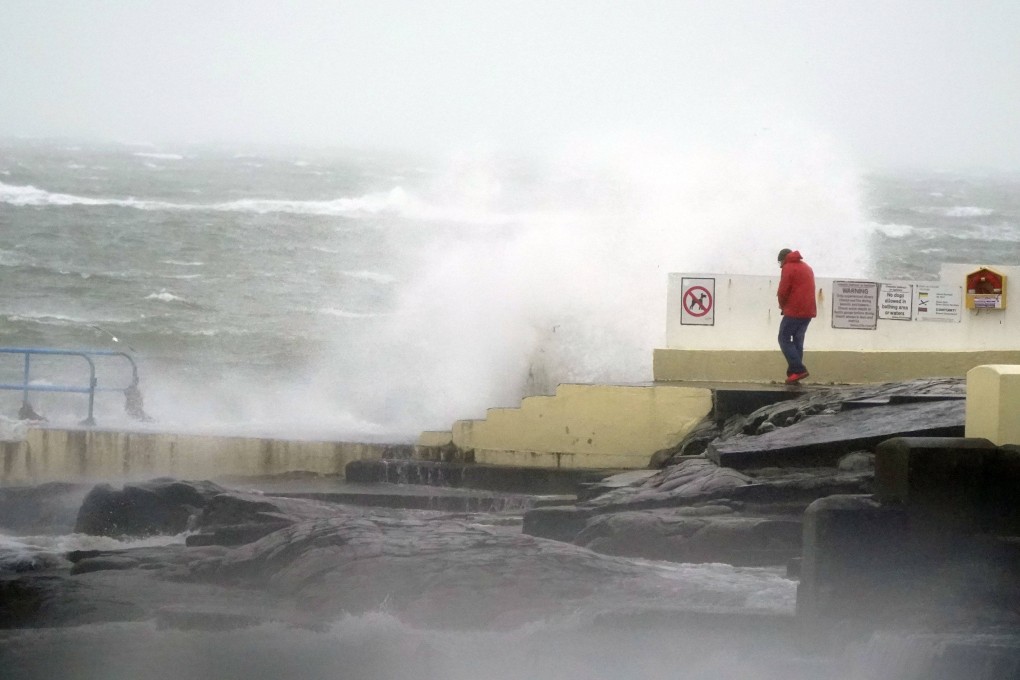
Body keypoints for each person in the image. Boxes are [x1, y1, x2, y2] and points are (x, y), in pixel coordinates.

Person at [776, 248, 816, 384]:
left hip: (794, 310)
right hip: (808, 311)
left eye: (780, 262)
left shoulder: (788, 268)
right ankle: (794, 374)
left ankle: (798, 370)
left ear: (783, 259)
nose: (780, 266)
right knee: (798, 339)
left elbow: (783, 291)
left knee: (784, 338)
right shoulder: (807, 267)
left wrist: (782, 306)